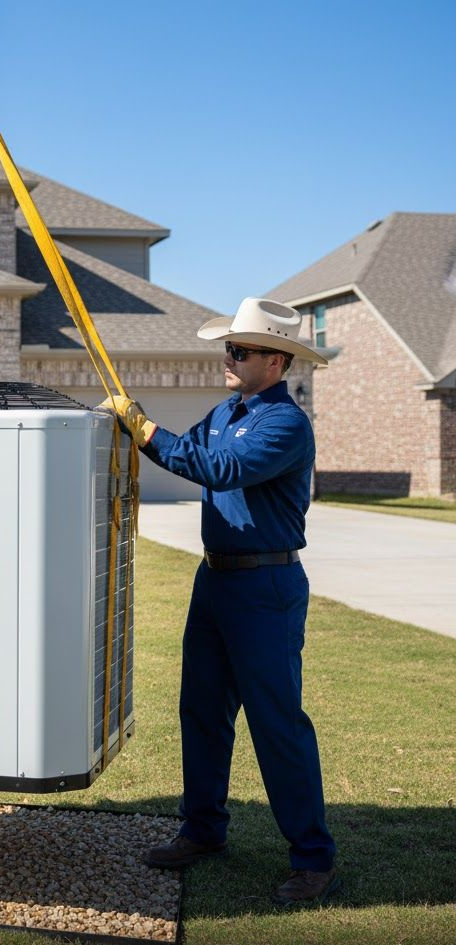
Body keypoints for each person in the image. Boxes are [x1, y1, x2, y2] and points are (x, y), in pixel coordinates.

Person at [103, 297, 338, 905]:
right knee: (202, 714)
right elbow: (184, 447)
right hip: (216, 582)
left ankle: (313, 858)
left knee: (277, 723)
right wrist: (127, 426)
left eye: (241, 350)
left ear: (278, 359)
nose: (227, 358)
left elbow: (217, 467)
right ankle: (203, 831)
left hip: (266, 589)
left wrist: (145, 426)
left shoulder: (285, 423)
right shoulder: (226, 410)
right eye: (227, 347)